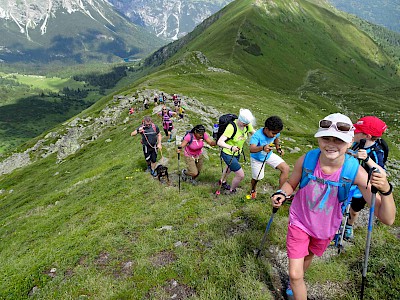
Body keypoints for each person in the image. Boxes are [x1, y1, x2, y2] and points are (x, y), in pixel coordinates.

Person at [271, 113, 395, 300]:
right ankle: (295, 282)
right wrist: (282, 192)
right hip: (299, 221)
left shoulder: (355, 171)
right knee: (295, 275)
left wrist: (386, 190)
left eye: (338, 140)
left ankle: (295, 282)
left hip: (325, 228)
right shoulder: (308, 160)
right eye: (326, 138)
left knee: (308, 257)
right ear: (319, 138)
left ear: (350, 141)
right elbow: (291, 183)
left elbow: (387, 218)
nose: (331, 144)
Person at [345, 116, 388, 240]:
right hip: (347, 181)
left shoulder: (376, 151)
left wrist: (367, 159)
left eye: (358, 131)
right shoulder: (356, 144)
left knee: (354, 210)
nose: (354, 132)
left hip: (363, 188)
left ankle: (349, 225)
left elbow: (381, 172)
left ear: (367, 136)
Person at [249, 116, 290, 199]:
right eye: (273, 133)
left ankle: (281, 193)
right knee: (257, 178)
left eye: (276, 133)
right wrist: (263, 147)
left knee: (285, 168)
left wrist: (278, 148)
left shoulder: (275, 132)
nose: (275, 135)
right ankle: (253, 189)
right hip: (257, 159)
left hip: (269, 155)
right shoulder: (257, 136)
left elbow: (276, 139)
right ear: (266, 129)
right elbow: (251, 149)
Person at [217, 108, 256, 194]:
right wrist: (231, 147)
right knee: (240, 175)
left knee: (228, 168)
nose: (246, 125)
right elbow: (220, 142)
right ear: (241, 121)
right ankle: (232, 190)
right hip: (228, 153)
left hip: (237, 153)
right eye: (245, 124)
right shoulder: (231, 127)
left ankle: (222, 181)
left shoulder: (247, 125)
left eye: (247, 124)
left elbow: (254, 133)